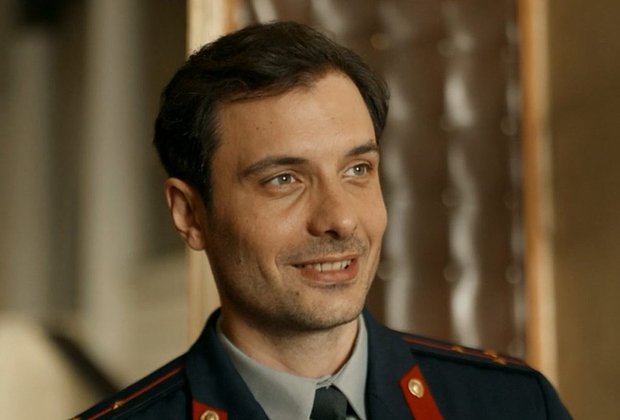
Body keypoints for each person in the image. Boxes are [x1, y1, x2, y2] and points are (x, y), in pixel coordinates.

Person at [74, 21, 571, 420]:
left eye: (357, 170)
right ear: (190, 213)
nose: (341, 219)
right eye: (283, 180)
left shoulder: (515, 405)